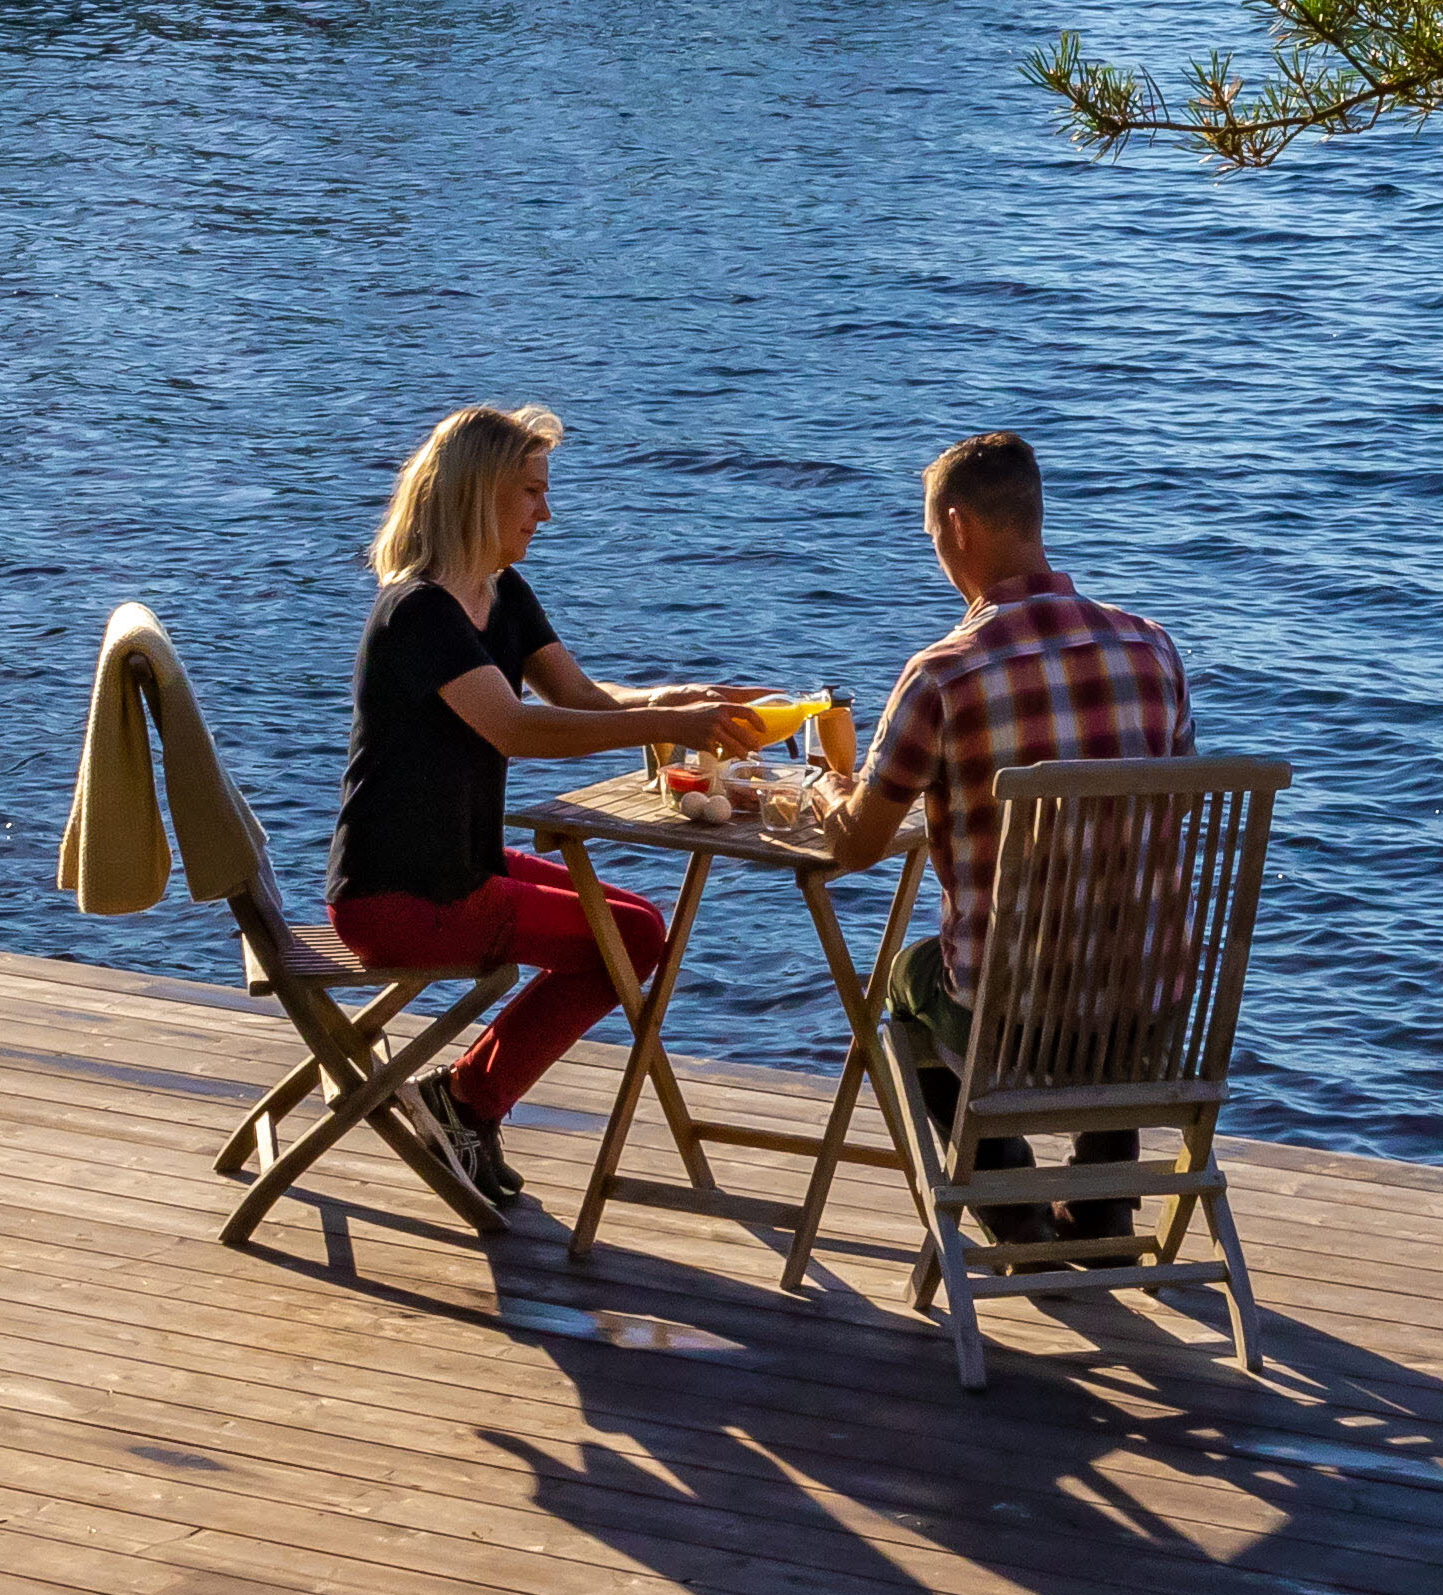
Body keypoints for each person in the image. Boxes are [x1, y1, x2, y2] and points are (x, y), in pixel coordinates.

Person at [326, 404, 762, 1208]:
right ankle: (466, 1103)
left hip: (463, 869)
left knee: (636, 924)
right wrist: (670, 724)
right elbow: (519, 728)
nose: (546, 512)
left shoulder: (502, 593)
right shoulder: (418, 611)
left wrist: (678, 697)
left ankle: (464, 1104)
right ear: (477, 493)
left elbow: (582, 698)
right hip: (403, 895)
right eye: (531, 491)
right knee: (626, 938)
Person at [807, 430, 1191, 1247]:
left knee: (908, 981)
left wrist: (830, 790)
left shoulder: (945, 675)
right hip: (1152, 1019)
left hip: (1014, 1033)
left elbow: (858, 850)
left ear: (956, 528)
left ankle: (1013, 1211)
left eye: (932, 542)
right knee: (1106, 950)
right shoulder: (1153, 650)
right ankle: (1100, 1202)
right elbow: (1176, 807)